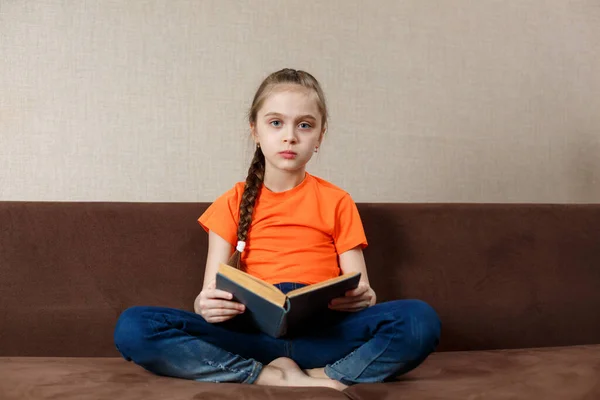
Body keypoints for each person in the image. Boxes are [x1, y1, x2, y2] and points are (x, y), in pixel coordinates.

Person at [114, 68, 441, 390]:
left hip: (325, 334)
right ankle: (265, 374)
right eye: (276, 123)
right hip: (251, 335)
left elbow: (362, 289)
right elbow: (210, 293)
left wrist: (364, 298)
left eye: (304, 125)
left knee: (418, 320)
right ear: (255, 130)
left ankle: (325, 376)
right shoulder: (232, 201)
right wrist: (205, 305)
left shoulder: (337, 200)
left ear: (320, 136)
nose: (290, 136)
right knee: (134, 326)